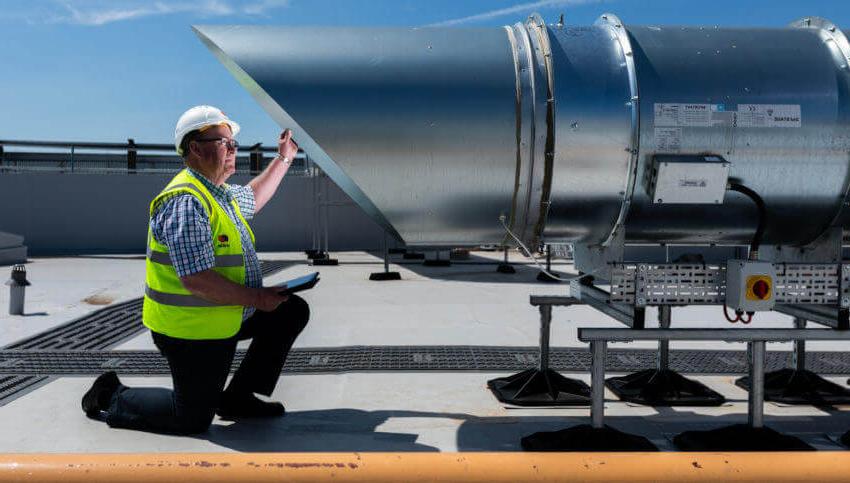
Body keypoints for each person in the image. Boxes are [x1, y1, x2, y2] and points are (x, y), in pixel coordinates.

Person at [81, 105, 309, 434]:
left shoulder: (220, 195)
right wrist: (258, 298)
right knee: (190, 419)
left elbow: (255, 197)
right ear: (195, 149)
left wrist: (284, 157)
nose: (233, 150)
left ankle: (237, 399)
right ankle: (111, 393)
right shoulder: (186, 202)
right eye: (224, 143)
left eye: (234, 144)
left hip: (223, 315)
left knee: (290, 311)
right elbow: (197, 279)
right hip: (190, 331)